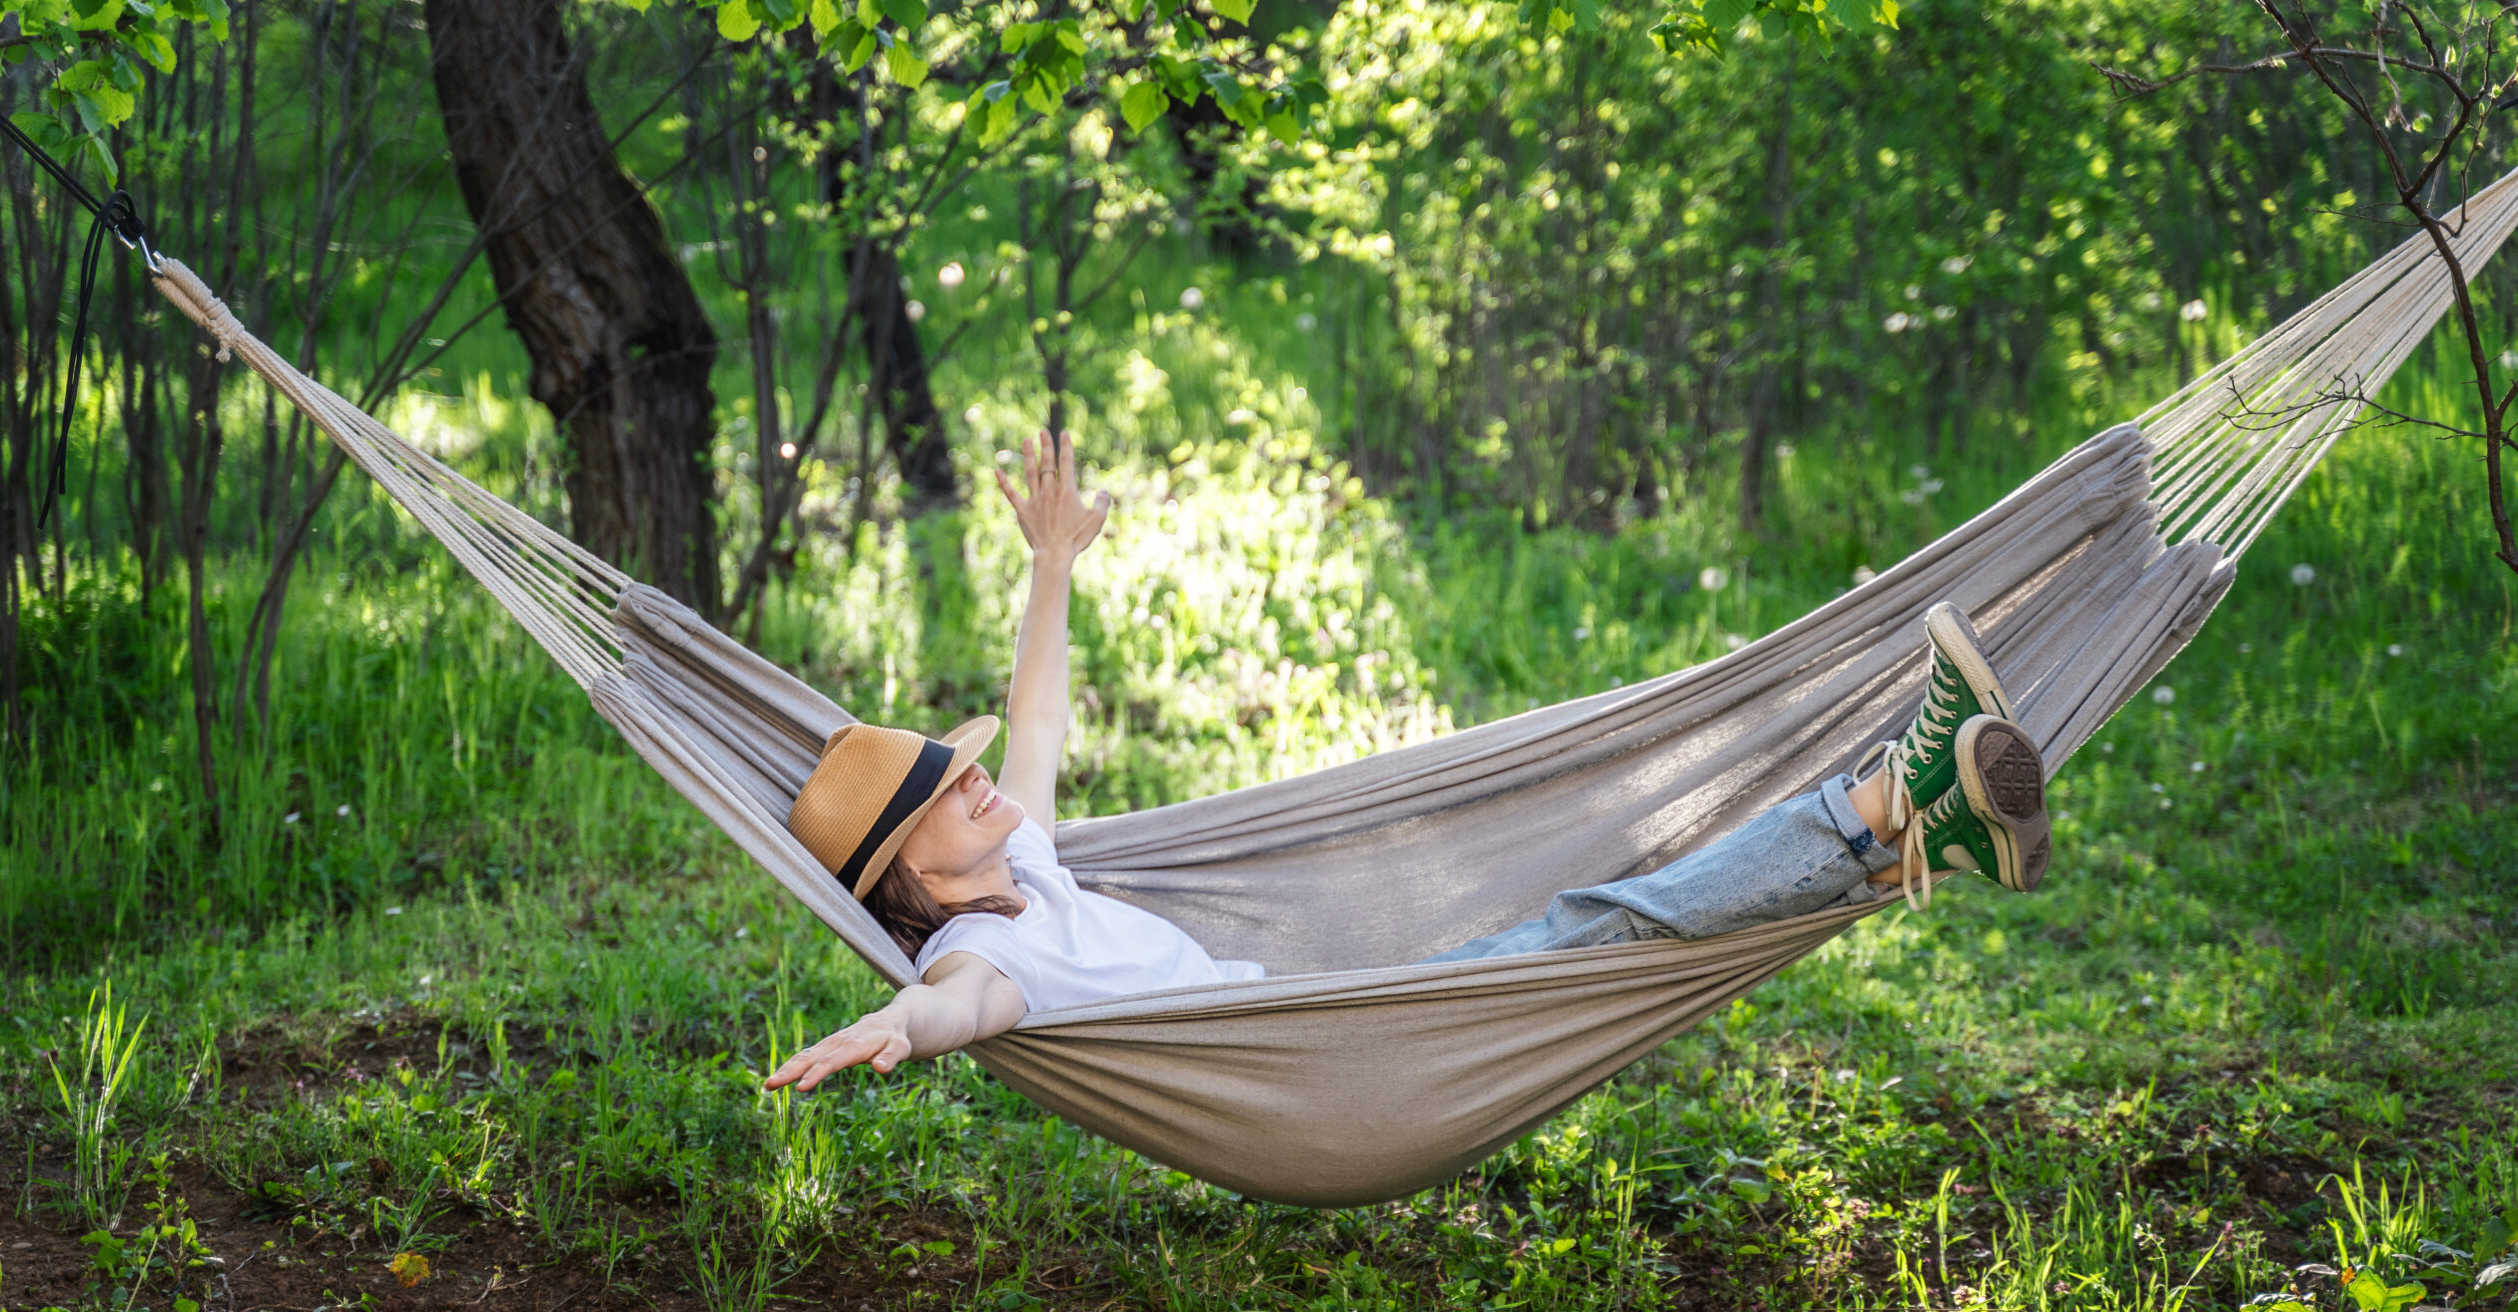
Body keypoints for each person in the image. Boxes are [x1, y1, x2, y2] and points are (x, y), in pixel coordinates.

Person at [762, 429, 2053, 1095]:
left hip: (1318, 1004)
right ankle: (1880, 798)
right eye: (943, 791)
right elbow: (954, 1013)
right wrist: (893, 1026)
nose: (972, 776)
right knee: (1602, 919)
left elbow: (1033, 726)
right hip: (1315, 1061)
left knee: (1610, 915)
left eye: (952, 763)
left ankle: (1921, 829)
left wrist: (1051, 570)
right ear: (912, 880)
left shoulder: (1024, 866)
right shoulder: (974, 956)